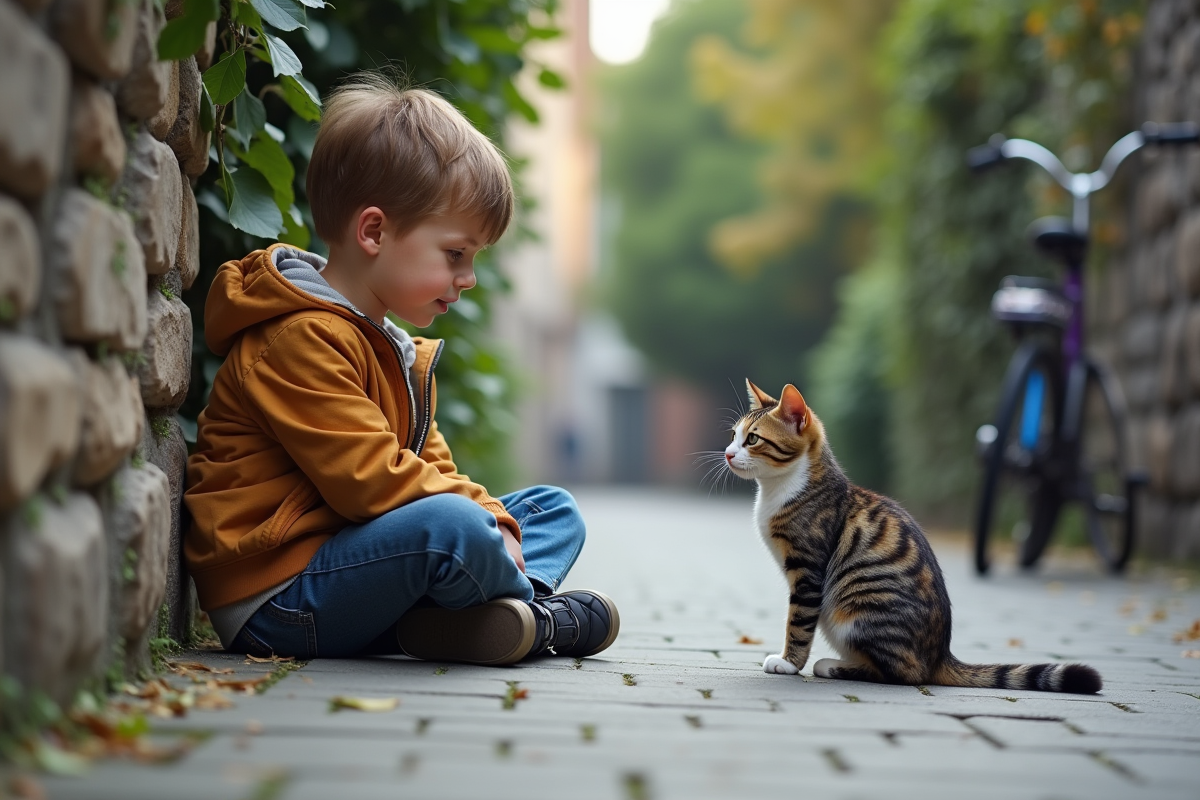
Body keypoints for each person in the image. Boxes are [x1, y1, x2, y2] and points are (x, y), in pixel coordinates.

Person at [183, 73, 618, 665]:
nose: (467, 279)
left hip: (354, 568)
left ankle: (488, 620)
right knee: (454, 524)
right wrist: (484, 521)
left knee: (549, 509)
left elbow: (427, 463)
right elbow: (371, 480)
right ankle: (535, 619)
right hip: (279, 599)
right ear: (374, 232)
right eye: (455, 254)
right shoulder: (297, 338)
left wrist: (493, 519)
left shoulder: (390, 344)